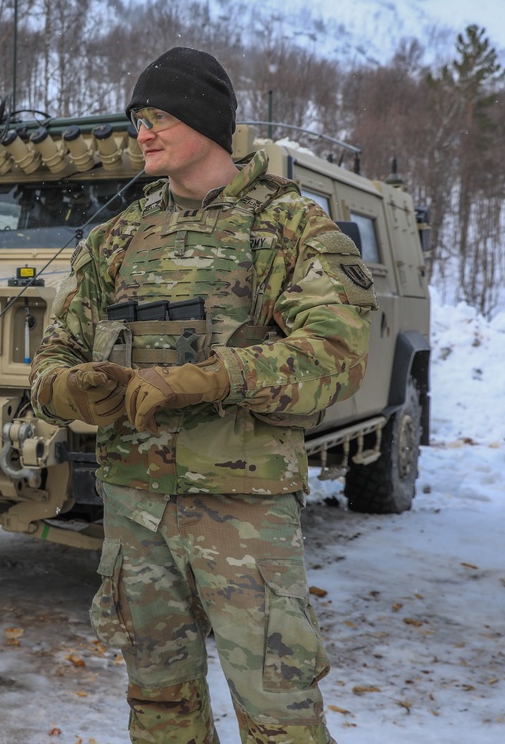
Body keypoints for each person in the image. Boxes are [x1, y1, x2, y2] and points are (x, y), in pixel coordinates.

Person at [29, 47, 377, 744]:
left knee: (281, 720)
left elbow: (336, 357)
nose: (143, 133)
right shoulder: (118, 240)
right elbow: (49, 364)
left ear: (207, 121)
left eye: (159, 116)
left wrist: (214, 377)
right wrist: (74, 390)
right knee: (159, 716)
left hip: (242, 517)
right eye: (137, 120)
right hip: (137, 515)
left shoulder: (288, 227)